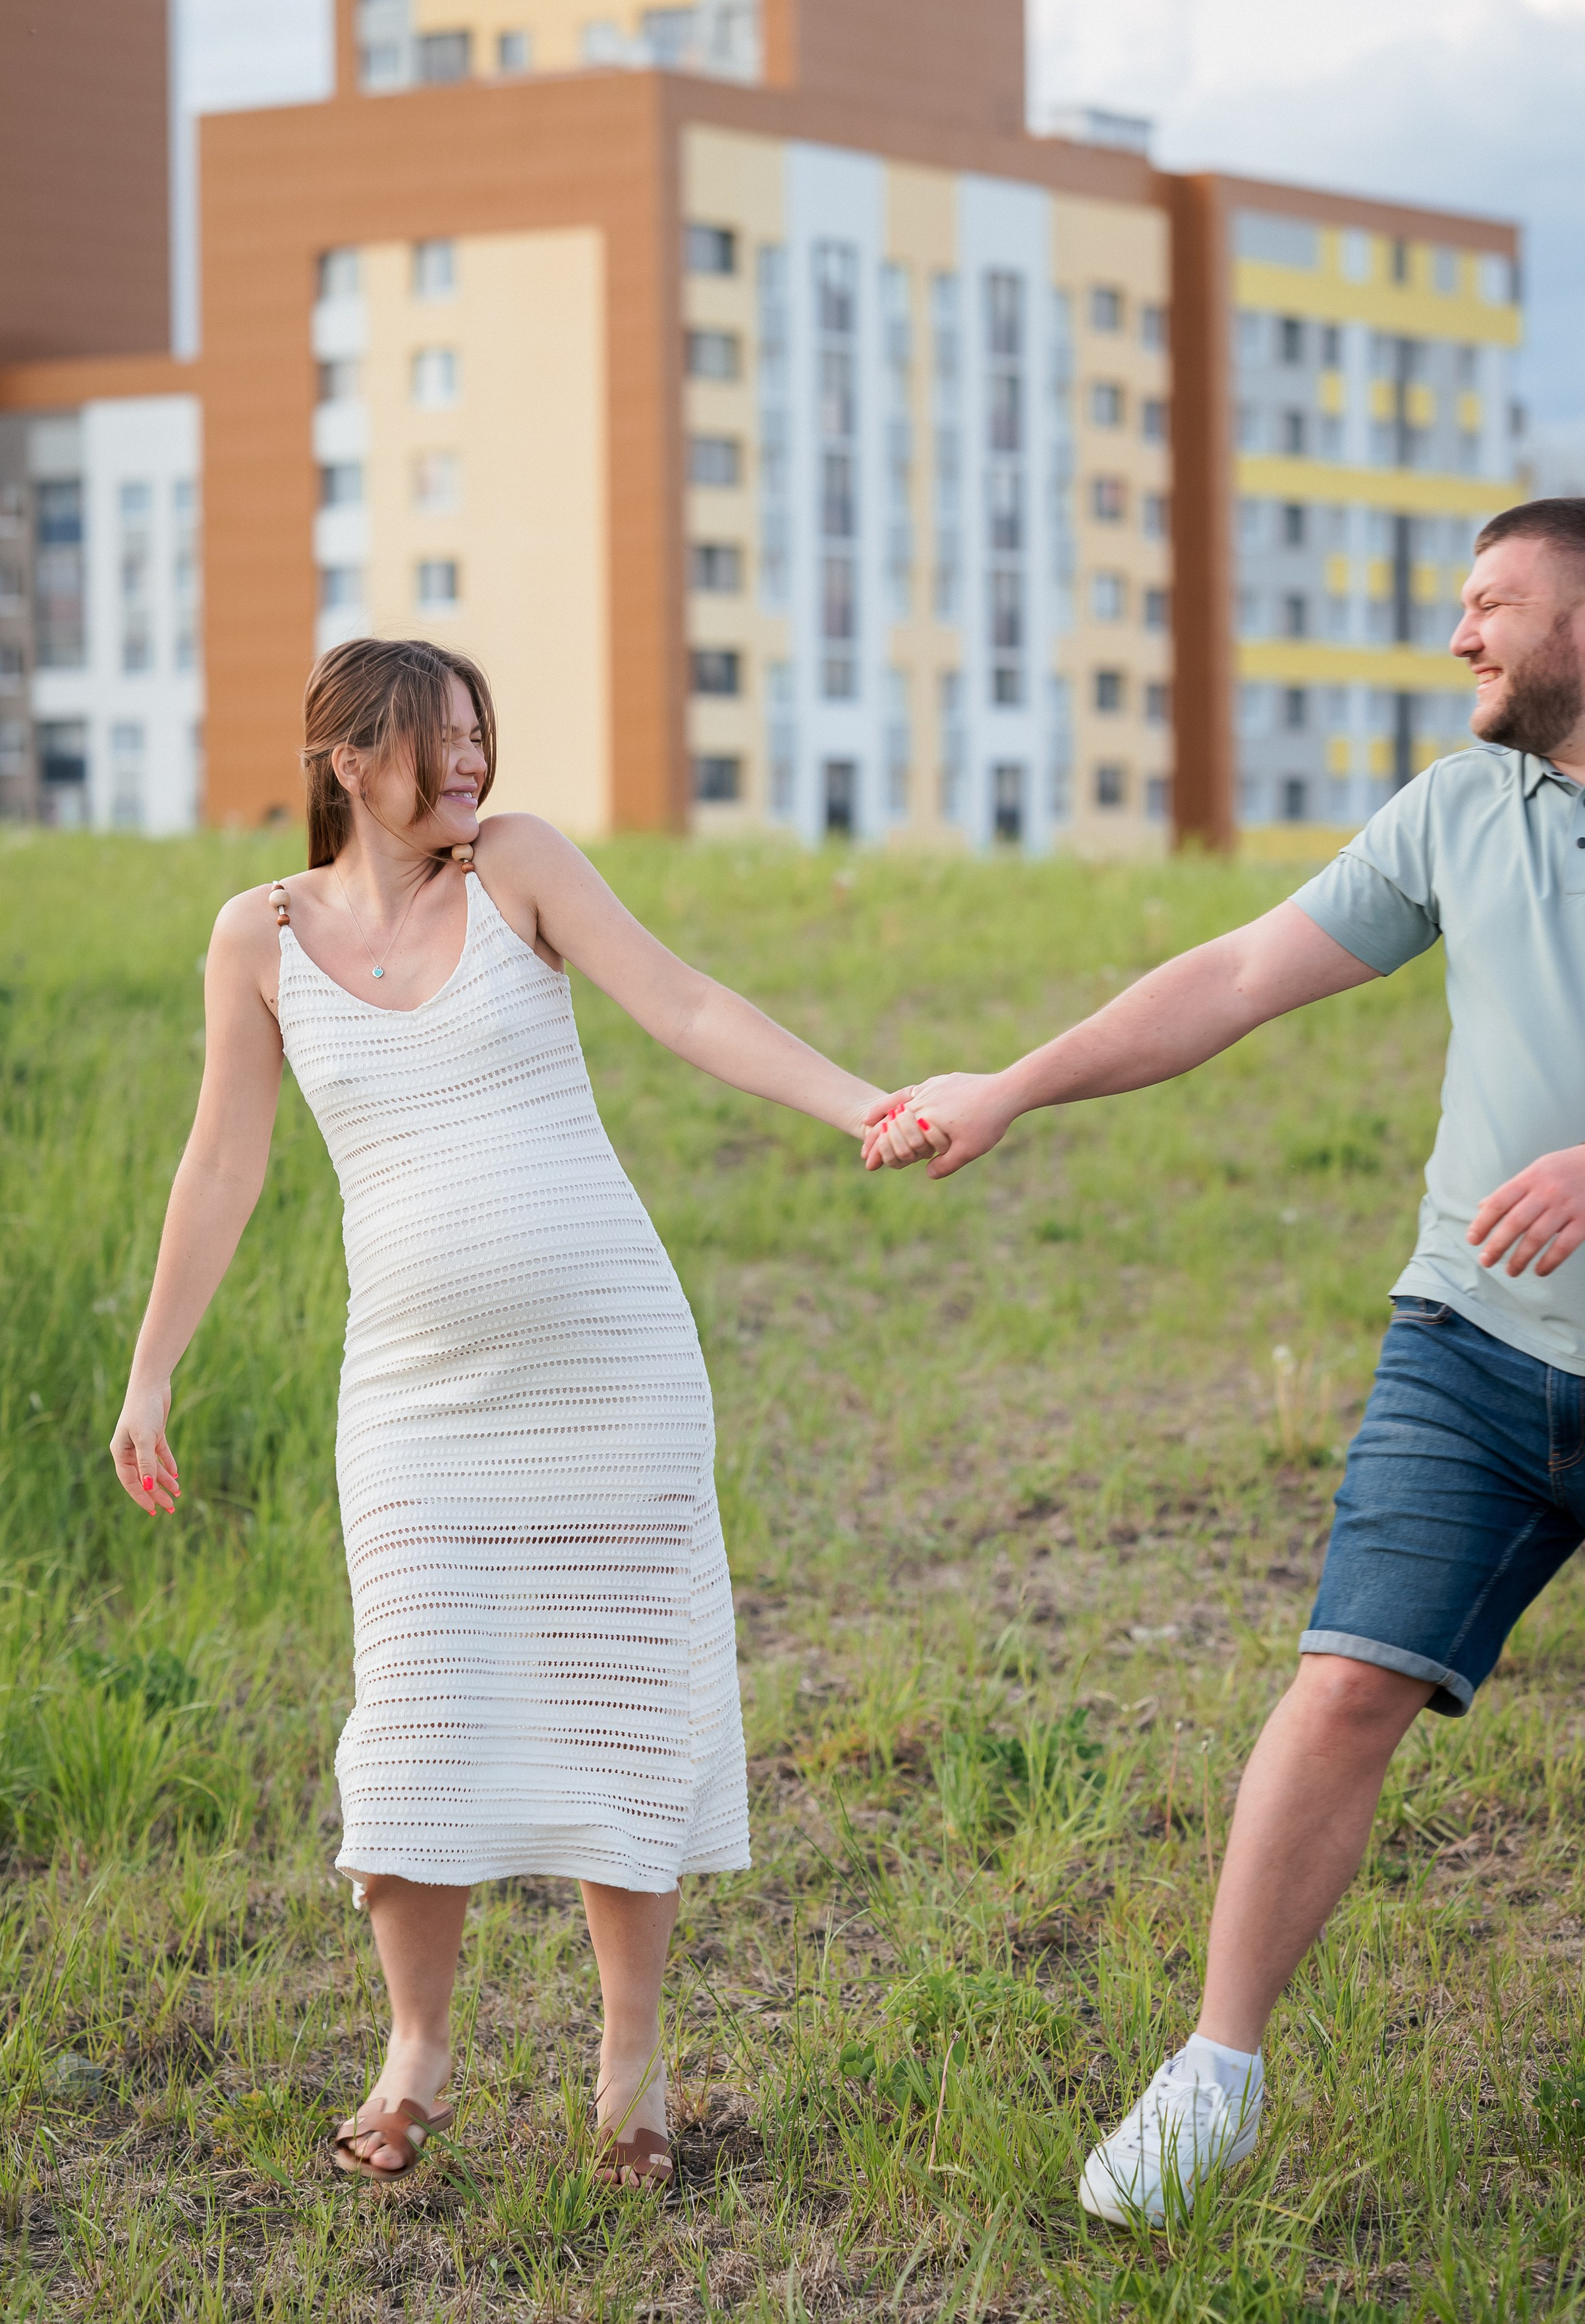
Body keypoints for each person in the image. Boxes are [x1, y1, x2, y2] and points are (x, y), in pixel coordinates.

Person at [864, 495, 1585, 2225]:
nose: (1460, 637)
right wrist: (1013, 1084)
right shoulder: (1463, 810)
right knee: (1345, 1684)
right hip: (1474, 1346)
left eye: (1493, 603)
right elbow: (1241, 971)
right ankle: (1217, 2077)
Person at [111, 637, 885, 2187]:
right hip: (412, 1393)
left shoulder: (517, 867)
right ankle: (415, 2054)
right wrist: (151, 1368)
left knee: (618, 1706)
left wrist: (861, 1102)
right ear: (347, 757)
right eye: (433, 743)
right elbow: (223, 1163)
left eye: (478, 736)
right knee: (413, 1714)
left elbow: (681, 1004)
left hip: (611, 1371)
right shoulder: (255, 938)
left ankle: (632, 2074)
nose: (467, 767)